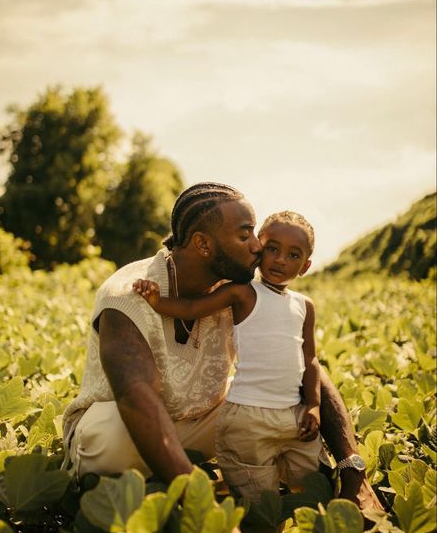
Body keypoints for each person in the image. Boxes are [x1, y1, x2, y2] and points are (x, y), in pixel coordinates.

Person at [62, 182, 381, 533]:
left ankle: (222, 473)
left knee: (284, 398)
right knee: (111, 441)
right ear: (203, 244)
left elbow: (306, 365)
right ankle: (183, 481)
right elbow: (137, 399)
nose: (258, 246)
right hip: (127, 427)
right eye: (246, 234)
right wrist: (203, 506)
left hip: (203, 417)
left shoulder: (241, 291)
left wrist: (354, 470)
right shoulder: (126, 294)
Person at [132, 210, 329, 509]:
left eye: (293, 255)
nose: (279, 260)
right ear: (259, 247)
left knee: (316, 489)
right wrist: (157, 301)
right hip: (247, 417)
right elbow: (190, 307)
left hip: (295, 417)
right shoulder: (243, 293)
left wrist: (313, 404)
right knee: (257, 501)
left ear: (305, 266)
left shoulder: (305, 306)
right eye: (272, 248)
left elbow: (310, 359)